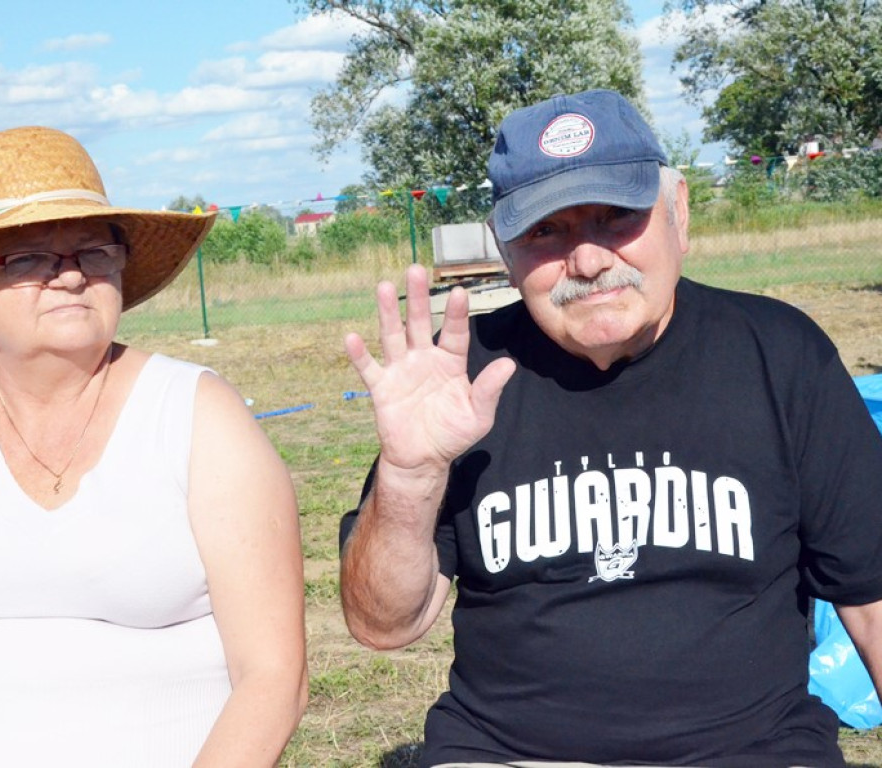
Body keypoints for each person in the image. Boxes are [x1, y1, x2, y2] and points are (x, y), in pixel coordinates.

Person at [340, 89, 882, 767]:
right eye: (547, 231)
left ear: (678, 212)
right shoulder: (463, 379)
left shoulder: (781, 357)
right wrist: (411, 473)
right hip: (510, 755)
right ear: (505, 250)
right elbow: (382, 625)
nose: (589, 260)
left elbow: (872, 598)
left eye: (615, 217)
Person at [0, 127, 307, 767]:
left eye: (93, 251)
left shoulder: (196, 413)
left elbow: (272, 677)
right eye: (26, 257)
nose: (69, 275)